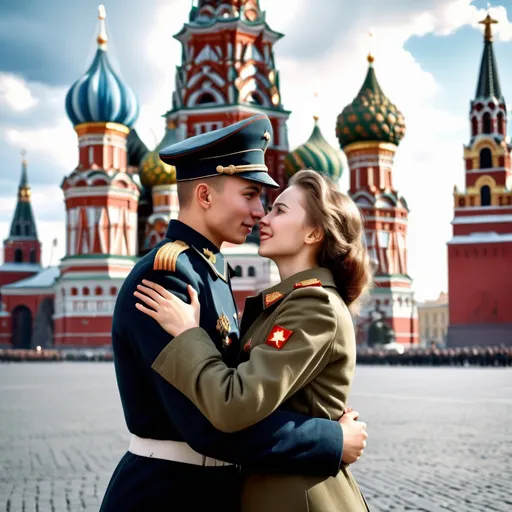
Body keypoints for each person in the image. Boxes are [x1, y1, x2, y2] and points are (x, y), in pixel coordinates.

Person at [100, 116, 368, 512]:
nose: (259, 212)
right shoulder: (169, 274)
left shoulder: (212, 271)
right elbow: (210, 425)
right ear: (205, 196)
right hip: (168, 493)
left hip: (210, 490)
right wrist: (330, 440)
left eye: (269, 204)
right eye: (250, 195)